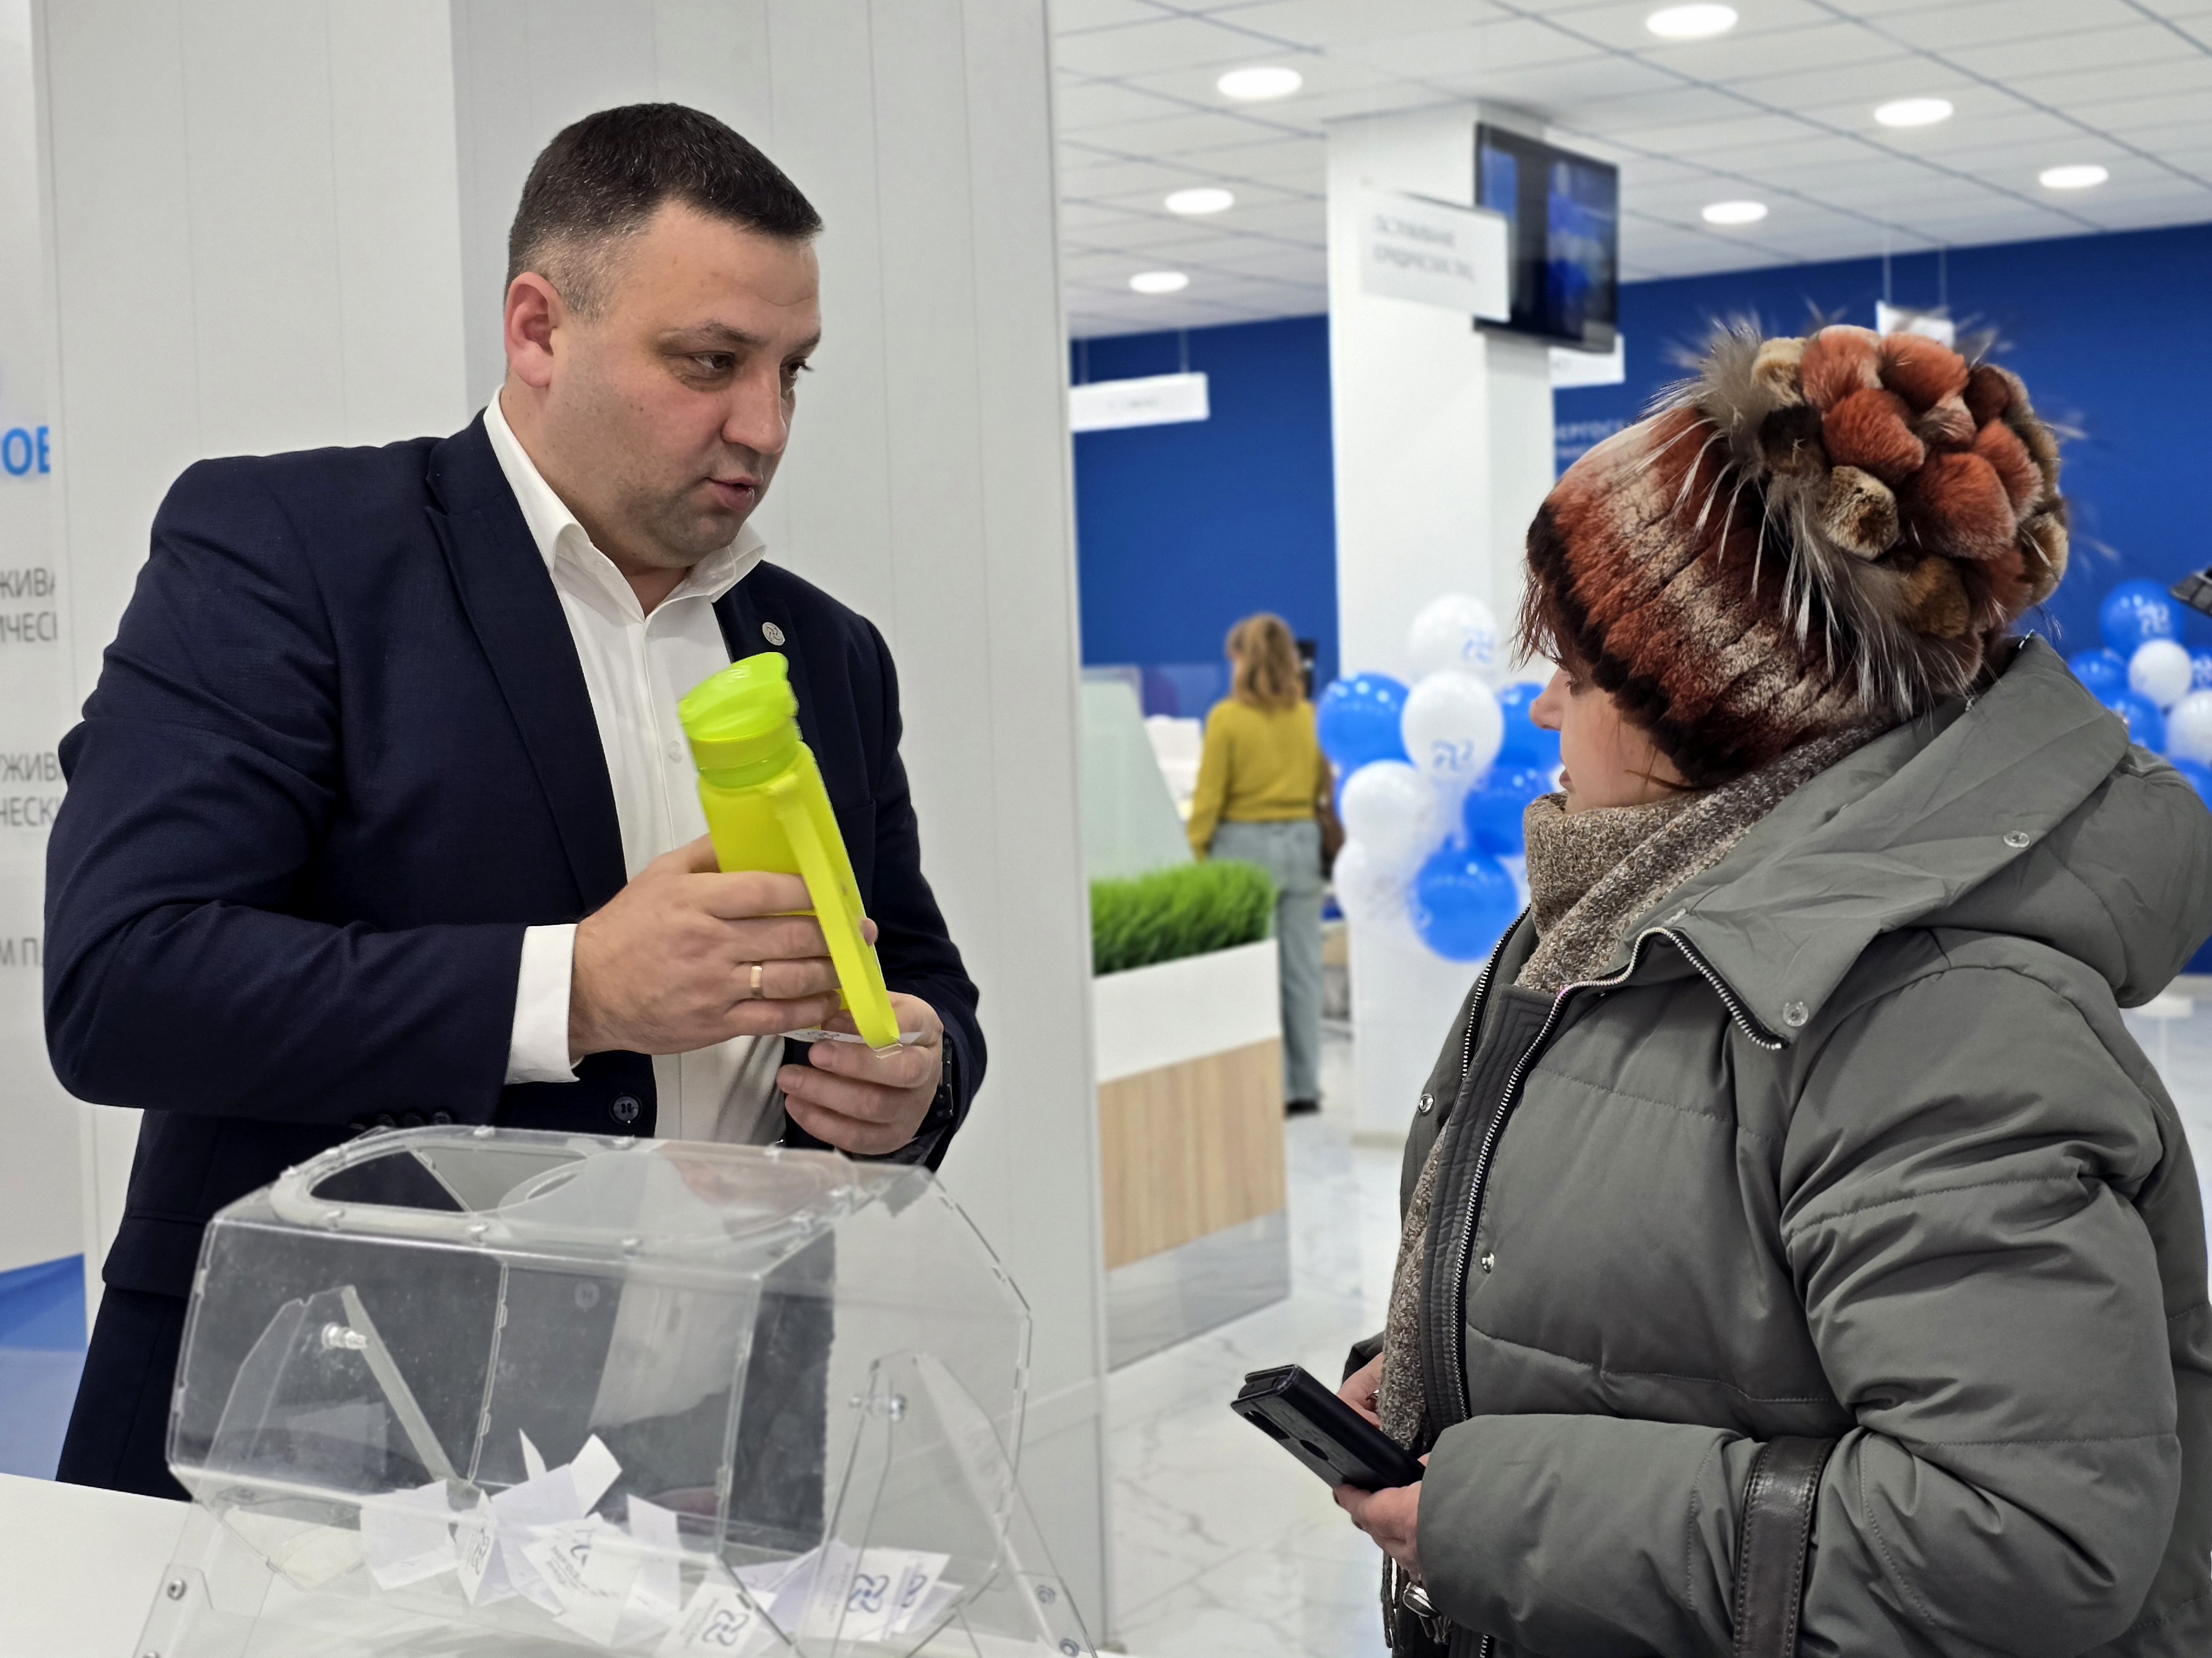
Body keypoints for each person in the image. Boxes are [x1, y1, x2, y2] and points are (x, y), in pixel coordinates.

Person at [44, 104, 984, 1501]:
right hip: (326, 1466)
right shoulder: (293, 553)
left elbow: (920, 976)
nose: (765, 425)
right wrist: (576, 989)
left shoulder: (828, 652)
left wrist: (914, 1076)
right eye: (710, 362)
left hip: (715, 1473)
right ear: (538, 329)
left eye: (792, 370)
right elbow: (124, 982)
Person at [1332, 325, 2212, 1655]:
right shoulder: (1613, 922)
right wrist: (1438, 1362)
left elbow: (2018, 1533)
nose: (1542, 713)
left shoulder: (1945, 1019)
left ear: (1716, 708)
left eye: (1575, 672)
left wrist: (1502, 1508)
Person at [1186, 613, 1333, 1116]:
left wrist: (1196, 854)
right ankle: (1304, 1086)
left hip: (1242, 850)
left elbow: (1209, 799)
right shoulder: (1308, 716)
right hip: (1301, 844)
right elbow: (1320, 788)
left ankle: (1265, 1085)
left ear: (1242, 659)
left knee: (1252, 976)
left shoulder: (1227, 718)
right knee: (1302, 973)